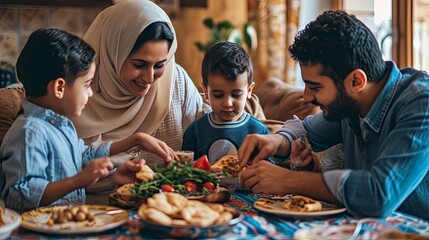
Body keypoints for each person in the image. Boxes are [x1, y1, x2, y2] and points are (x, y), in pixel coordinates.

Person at [238, 10, 429, 220]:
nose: (307, 97)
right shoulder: (351, 105)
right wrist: (276, 140)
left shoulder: (421, 104)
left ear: (356, 81)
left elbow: (378, 195)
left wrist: (288, 180)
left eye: (315, 87)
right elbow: (305, 130)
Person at [0, 28, 176, 212]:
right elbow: (20, 197)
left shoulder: (61, 125)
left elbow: (84, 157)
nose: (90, 93)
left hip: (66, 227)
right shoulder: (29, 132)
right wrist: (78, 181)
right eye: (86, 85)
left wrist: (134, 142)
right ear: (59, 87)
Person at [71, 0, 205, 166]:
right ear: (113, 54)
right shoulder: (76, 91)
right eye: (139, 64)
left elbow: (207, 136)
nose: (149, 79)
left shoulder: (176, 83)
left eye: (159, 65)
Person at [182, 42, 272, 164]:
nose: (228, 103)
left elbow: (269, 170)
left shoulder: (259, 131)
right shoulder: (196, 131)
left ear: (249, 90)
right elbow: (186, 171)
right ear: (205, 92)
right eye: (218, 95)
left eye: (236, 95)